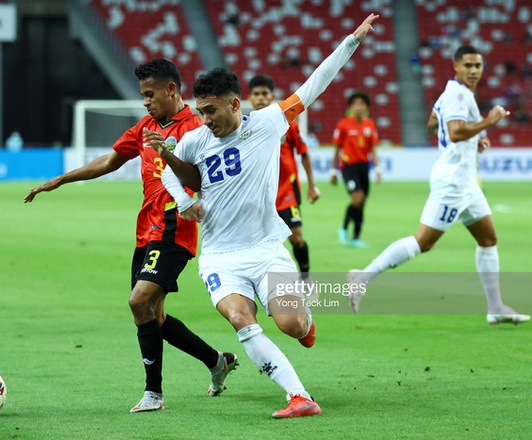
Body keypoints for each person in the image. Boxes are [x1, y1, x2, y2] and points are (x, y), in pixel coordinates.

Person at [146, 14, 379, 418]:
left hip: (266, 247)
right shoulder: (195, 138)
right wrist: (185, 202)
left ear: (235, 104)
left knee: (291, 324)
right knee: (240, 318)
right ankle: (298, 396)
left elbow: (314, 85)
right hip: (220, 255)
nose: (206, 120)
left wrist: (351, 42)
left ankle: (304, 324)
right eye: (201, 111)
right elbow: (168, 172)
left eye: (213, 110)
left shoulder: (270, 122)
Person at [23, 59, 238, 413]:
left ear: (171, 90)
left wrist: (194, 203)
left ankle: (154, 394)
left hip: (175, 227)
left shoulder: (198, 128)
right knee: (155, 317)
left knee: (138, 302)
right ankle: (217, 361)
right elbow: (110, 161)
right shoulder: (145, 127)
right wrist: (60, 180)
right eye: (143, 96)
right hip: (146, 231)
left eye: (150, 94)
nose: (145, 102)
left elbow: (208, 177)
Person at [347, 45, 530, 326]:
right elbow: (455, 132)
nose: (473, 70)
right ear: (455, 66)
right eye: (467, 65)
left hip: (466, 181)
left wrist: (473, 138)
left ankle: (495, 307)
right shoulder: (458, 94)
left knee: (488, 239)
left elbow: (434, 125)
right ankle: (362, 277)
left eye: (477, 66)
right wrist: (487, 122)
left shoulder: (452, 93)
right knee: (424, 242)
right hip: (453, 183)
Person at [248, 74, 320, 277]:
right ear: (250, 98)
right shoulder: (244, 126)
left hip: (287, 191)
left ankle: (305, 277)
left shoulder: (288, 125)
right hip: (260, 196)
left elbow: (303, 153)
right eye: (256, 94)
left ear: (272, 97)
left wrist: (312, 185)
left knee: (296, 238)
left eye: (265, 93)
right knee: (262, 243)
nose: (261, 98)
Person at [331, 91, 381, 249]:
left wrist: (378, 168)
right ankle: (344, 228)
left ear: (366, 107)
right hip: (348, 167)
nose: (358, 107)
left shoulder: (370, 124)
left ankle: (356, 237)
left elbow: (372, 148)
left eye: (362, 104)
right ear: (351, 107)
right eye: (355, 104)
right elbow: (337, 149)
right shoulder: (343, 124)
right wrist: (333, 171)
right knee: (357, 199)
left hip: (363, 167)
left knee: (362, 202)